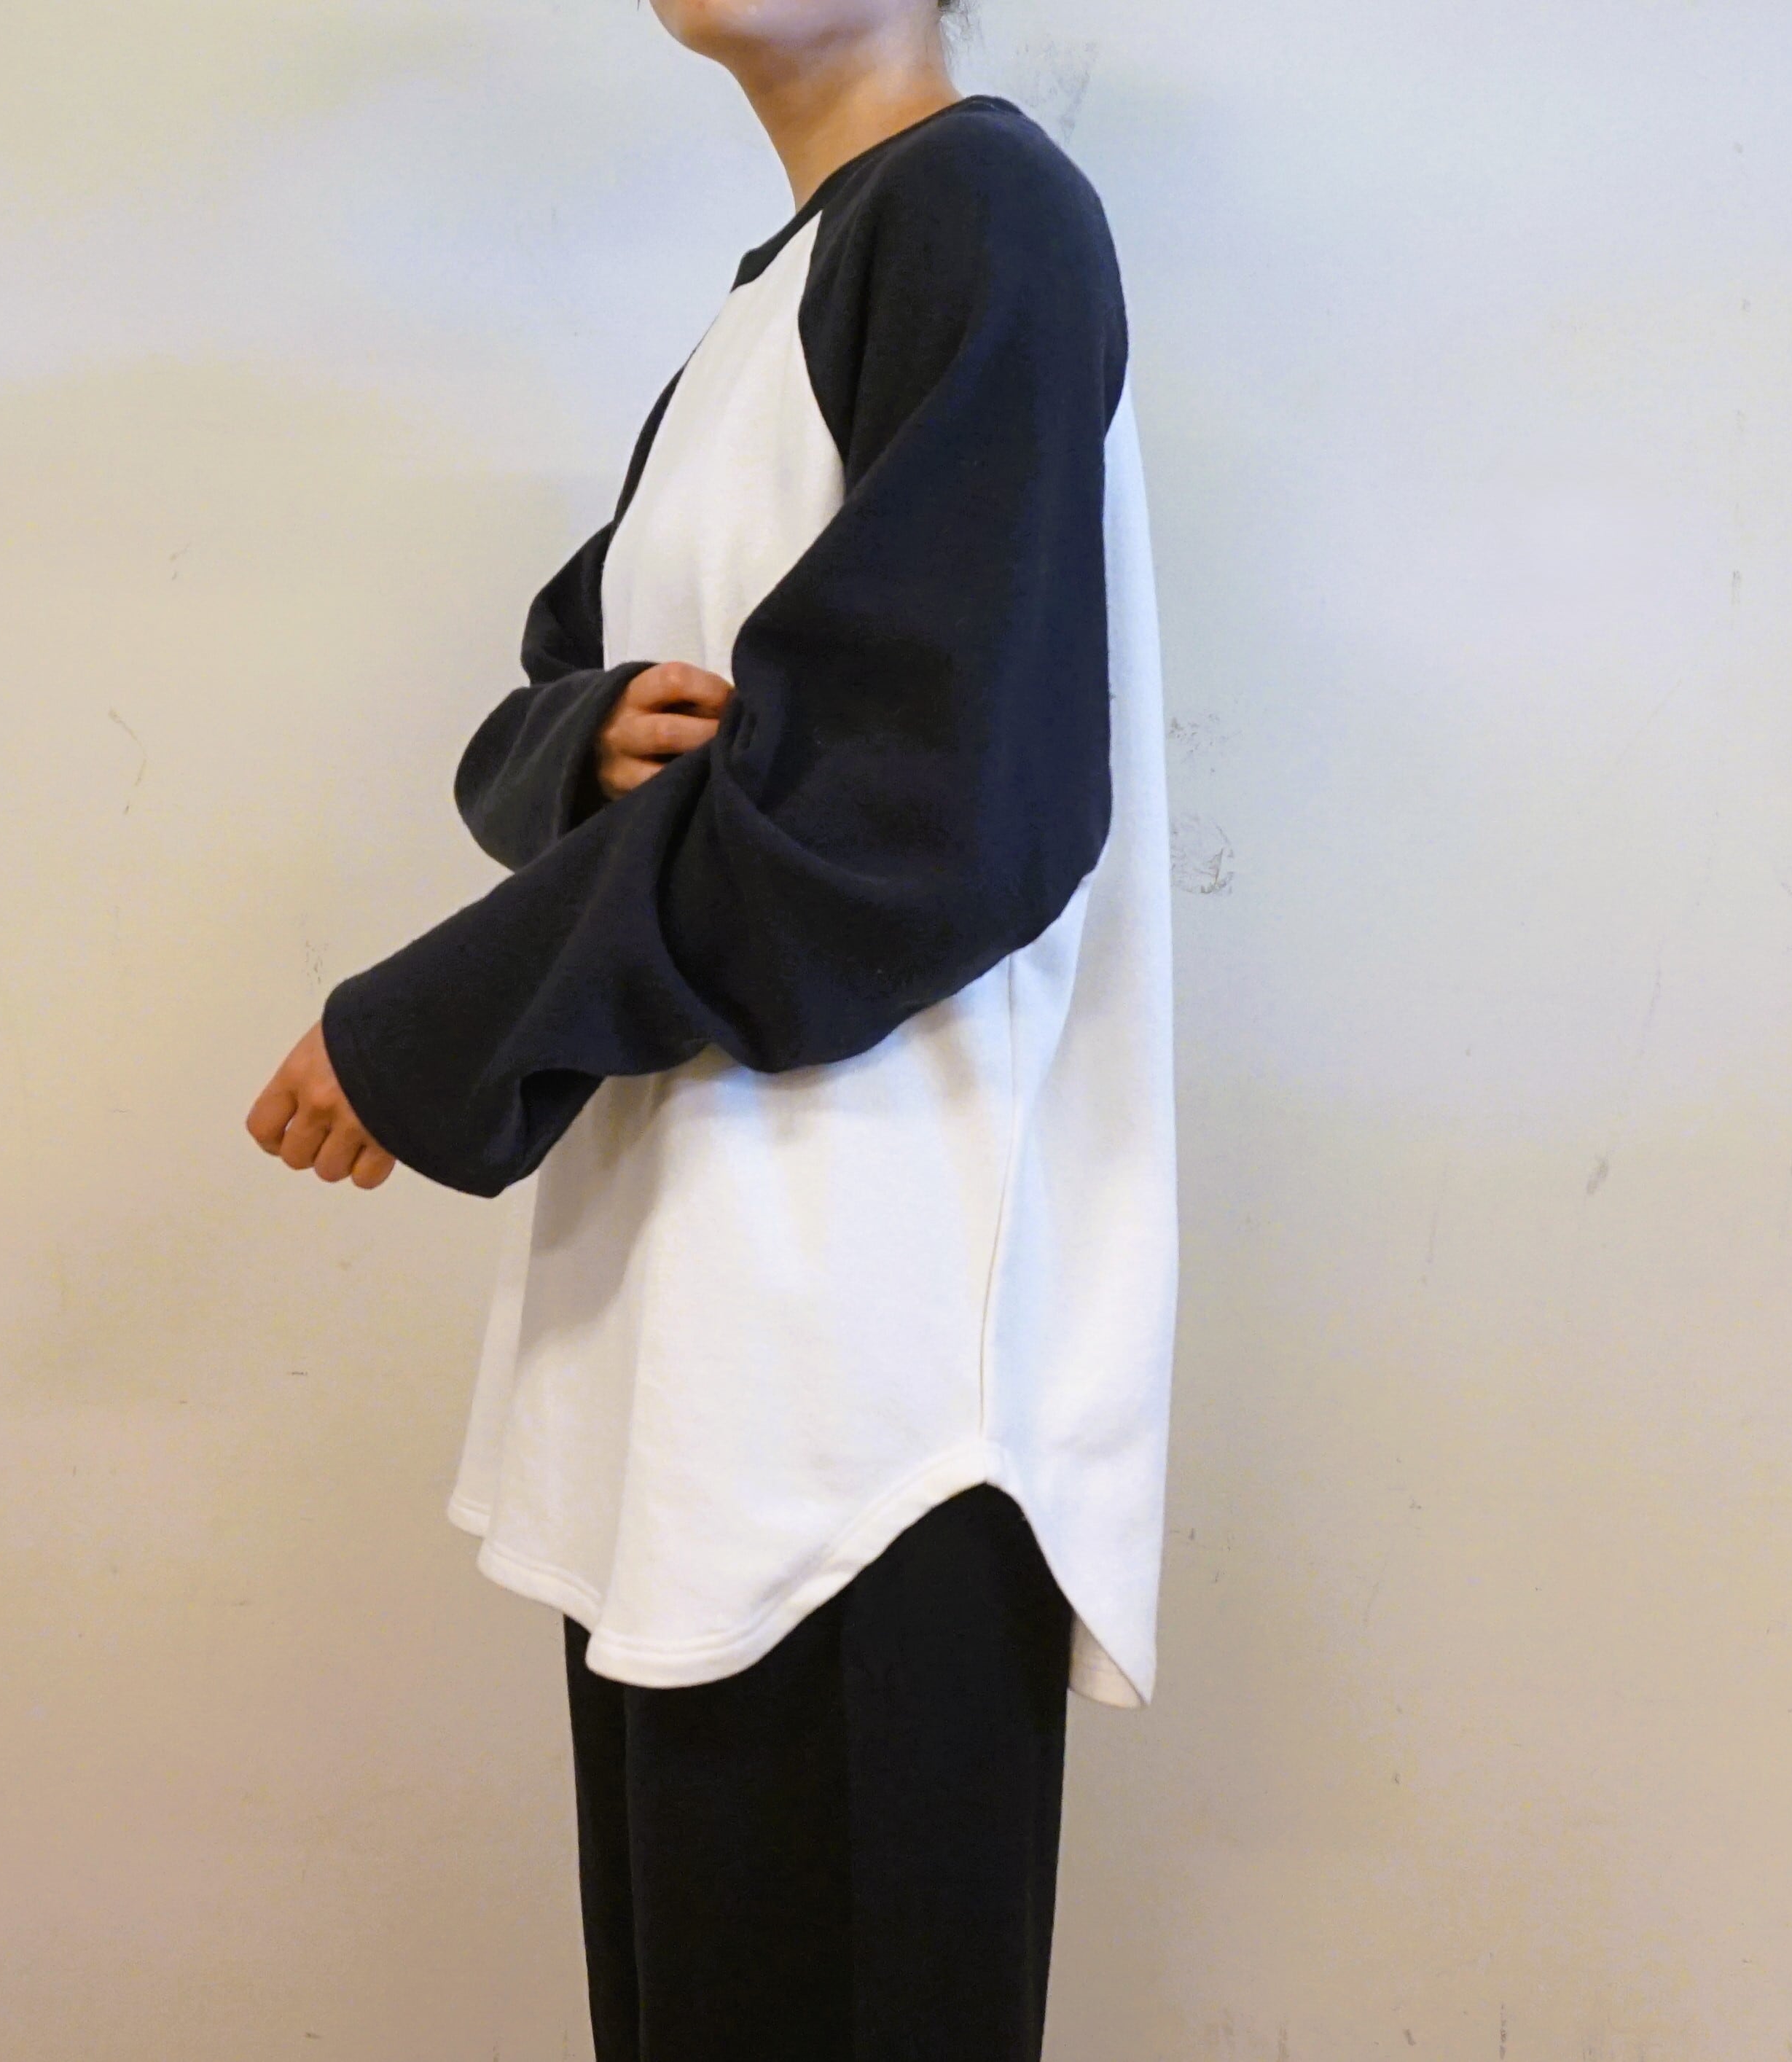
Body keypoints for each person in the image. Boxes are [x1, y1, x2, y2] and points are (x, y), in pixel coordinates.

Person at [246, 1, 1177, 2053]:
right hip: (698, 1367)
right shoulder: (786, 288)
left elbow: (917, 823)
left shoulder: (982, 213)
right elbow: (552, 697)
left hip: (874, 1391)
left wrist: (433, 1029)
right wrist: (589, 740)